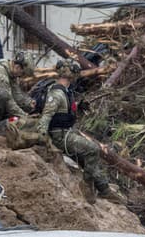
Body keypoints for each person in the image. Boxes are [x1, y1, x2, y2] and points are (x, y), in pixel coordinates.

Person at [37, 59, 124, 203]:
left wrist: (78, 106)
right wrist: (43, 139)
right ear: (72, 75)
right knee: (92, 150)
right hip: (60, 135)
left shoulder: (65, 91)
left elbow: (63, 111)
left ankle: (104, 189)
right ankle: (87, 186)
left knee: (88, 157)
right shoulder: (57, 93)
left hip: (67, 131)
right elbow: (46, 116)